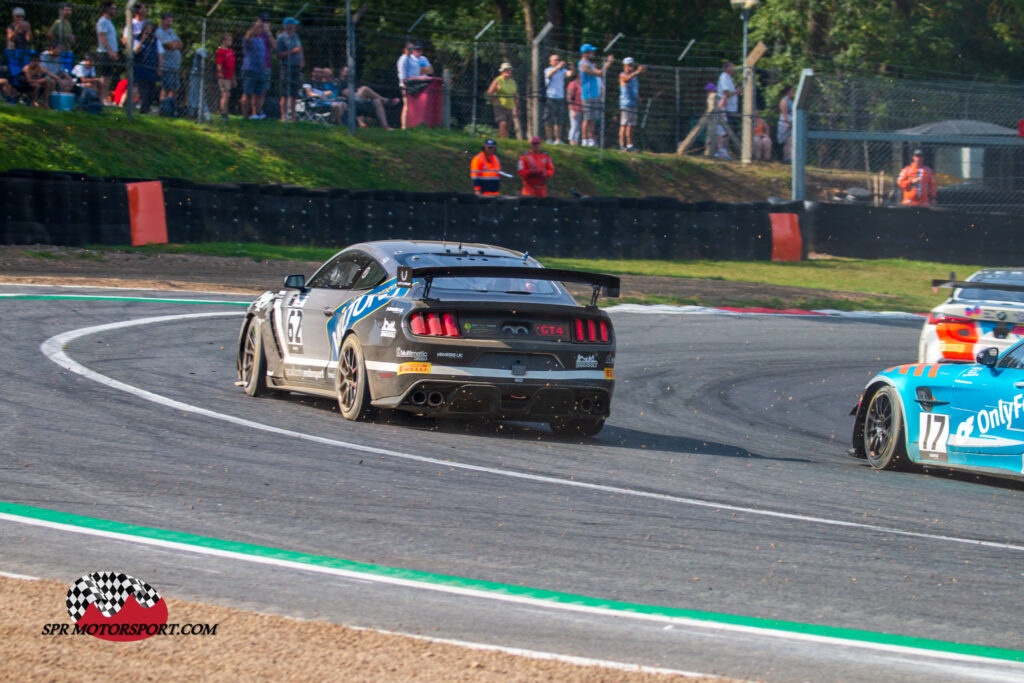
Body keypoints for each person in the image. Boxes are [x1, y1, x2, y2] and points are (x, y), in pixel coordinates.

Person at [578, 44, 613, 148]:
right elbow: (600, 73)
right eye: (591, 52)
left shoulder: (589, 63)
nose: (593, 53)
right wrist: (608, 63)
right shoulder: (583, 64)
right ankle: (584, 140)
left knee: (592, 118)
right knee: (587, 118)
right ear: (586, 53)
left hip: (594, 93)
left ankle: (591, 139)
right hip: (588, 93)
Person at [397, 40, 432, 129]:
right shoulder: (405, 58)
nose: (413, 50)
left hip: (417, 85)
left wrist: (419, 73)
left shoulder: (423, 59)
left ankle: (415, 126)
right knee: (407, 106)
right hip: (407, 85)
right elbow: (403, 74)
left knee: (416, 107)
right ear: (405, 49)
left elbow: (430, 71)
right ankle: (404, 127)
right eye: (411, 48)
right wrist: (405, 86)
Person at [240, 18, 268, 118]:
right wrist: (256, 25)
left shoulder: (260, 40)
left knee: (259, 93)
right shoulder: (248, 39)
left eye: (260, 28)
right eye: (257, 28)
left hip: (260, 70)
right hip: (250, 69)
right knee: (247, 93)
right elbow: (248, 36)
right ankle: (245, 115)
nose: (259, 29)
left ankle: (256, 114)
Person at [276, 17, 303, 122]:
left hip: (296, 67)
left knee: (294, 94)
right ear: (288, 26)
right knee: (285, 94)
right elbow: (278, 54)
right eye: (293, 24)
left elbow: (300, 49)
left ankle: (293, 116)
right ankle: (283, 116)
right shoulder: (281, 38)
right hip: (286, 67)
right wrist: (292, 51)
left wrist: (301, 61)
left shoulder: (296, 36)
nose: (295, 26)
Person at [618, 57, 644, 152]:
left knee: (632, 125)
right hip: (626, 104)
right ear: (624, 66)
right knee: (624, 125)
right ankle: (622, 145)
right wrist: (637, 71)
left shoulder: (635, 77)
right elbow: (627, 79)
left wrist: (638, 98)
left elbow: (634, 89)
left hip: (633, 103)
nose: (631, 67)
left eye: (632, 65)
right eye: (629, 65)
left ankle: (630, 145)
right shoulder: (622, 75)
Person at [94, 2, 119, 105]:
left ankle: (105, 98)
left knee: (108, 77)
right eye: (113, 8)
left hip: (110, 53)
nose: (115, 10)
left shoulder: (109, 22)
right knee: (104, 77)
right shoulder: (103, 21)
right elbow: (102, 38)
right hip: (105, 53)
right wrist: (110, 51)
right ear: (107, 9)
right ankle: (102, 99)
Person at [132, 20, 159, 113]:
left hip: (152, 69)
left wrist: (159, 68)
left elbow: (160, 54)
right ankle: (143, 110)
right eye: (146, 28)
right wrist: (142, 40)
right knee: (144, 92)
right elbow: (136, 51)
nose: (148, 30)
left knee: (151, 92)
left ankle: (147, 109)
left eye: (150, 28)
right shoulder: (137, 39)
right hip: (141, 70)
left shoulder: (155, 40)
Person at [486, 62, 518, 139]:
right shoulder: (498, 80)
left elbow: (515, 95)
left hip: (510, 106)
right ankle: (501, 139)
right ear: (502, 71)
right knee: (503, 122)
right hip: (500, 105)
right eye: (506, 70)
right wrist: (495, 100)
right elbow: (489, 92)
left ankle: (506, 141)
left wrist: (517, 107)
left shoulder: (512, 81)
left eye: (509, 70)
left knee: (508, 126)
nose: (508, 71)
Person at [155, 13, 182, 102]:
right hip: (166, 64)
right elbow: (169, 45)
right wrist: (174, 45)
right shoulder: (159, 32)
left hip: (175, 65)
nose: (170, 23)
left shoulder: (171, 32)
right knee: (166, 87)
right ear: (162, 21)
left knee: (175, 87)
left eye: (171, 21)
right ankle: (164, 105)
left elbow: (180, 44)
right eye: (168, 21)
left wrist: (174, 45)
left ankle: (171, 106)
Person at [715, 61, 738, 158]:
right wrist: (738, 91)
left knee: (726, 130)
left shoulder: (729, 78)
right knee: (722, 129)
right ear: (727, 68)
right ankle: (720, 150)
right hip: (724, 106)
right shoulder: (724, 77)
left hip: (730, 107)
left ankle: (724, 150)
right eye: (732, 67)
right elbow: (726, 93)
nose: (734, 69)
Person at [543, 53, 567, 144]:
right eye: (555, 60)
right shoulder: (547, 70)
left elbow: (569, 74)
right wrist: (558, 67)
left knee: (559, 119)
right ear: (550, 62)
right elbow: (550, 75)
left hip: (560, 97)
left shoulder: (563, 71)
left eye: (558, 59)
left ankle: (558, 139)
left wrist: (572, 68)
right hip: (551, 96)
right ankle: (549, 139)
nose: (557, 61)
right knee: (548, 118)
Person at [215, 32, 236, 120]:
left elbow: (232, 67)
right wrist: (221, 77)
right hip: (223, 76)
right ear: (223, 41)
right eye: (228, 40)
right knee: (225, 94)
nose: (230, 42)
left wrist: (233, 78)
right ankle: (223, 114)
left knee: (228, 94)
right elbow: (219, 65)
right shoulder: (220, 52)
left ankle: (226, 113)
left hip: (229, 76)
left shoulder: (231, 52)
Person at [777, 84, 794, 163]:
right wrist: (787, 124)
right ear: (788, 92)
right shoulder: (784, 101)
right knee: (787, 141)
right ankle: (786, 158)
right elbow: (784, 113)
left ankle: (790, 157)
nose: (793, 92)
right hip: (785, 124)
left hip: (791, 122)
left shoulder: (790, 100)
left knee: (791, 141)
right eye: (791, 91)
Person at [566, 71, 582, 146]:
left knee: (578, 127)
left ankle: (576, 143)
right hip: (574, 109)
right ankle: (571, 141)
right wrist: (572, 110)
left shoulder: (582, 84)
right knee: (574, 126)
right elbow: (569, 97)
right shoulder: (573, 84)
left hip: (581, 109)